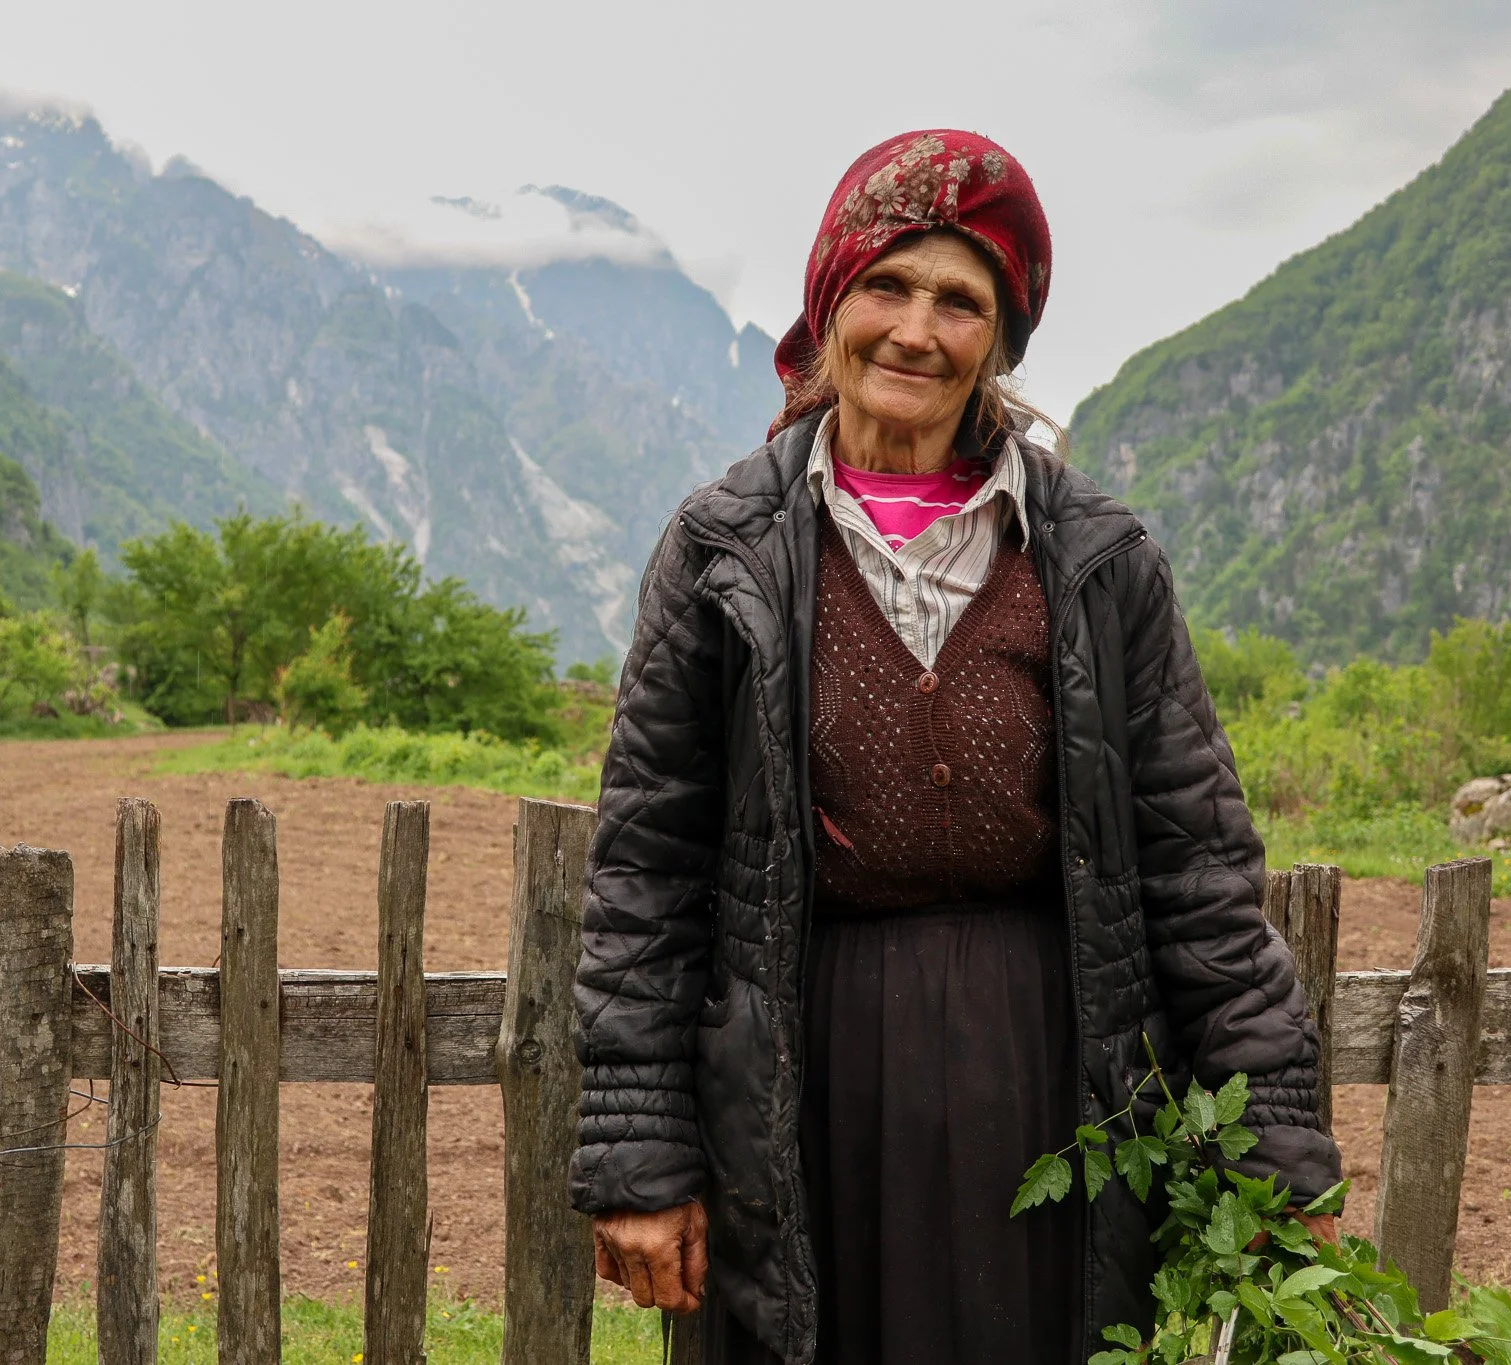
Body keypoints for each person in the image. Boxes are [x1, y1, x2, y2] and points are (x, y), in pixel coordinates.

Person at [566, 129, 1342, 1365]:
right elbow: (645, 873)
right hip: (798, 1085)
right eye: (885, 286)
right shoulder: (726, 550)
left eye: (959, 301)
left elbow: (1193, 865)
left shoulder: (1092, 557)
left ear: (1002, 339)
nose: (914, 331)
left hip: (1043, 1081)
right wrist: (637, 1157)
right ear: (830, 305)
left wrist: (1274, 1141)